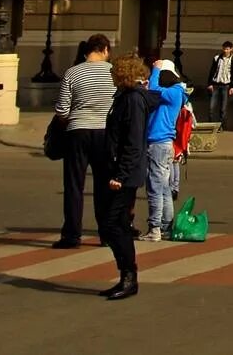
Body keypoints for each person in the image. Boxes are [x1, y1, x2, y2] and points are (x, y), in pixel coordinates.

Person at [97, 53, 150, 301]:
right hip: (119, 169)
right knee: (114, 223)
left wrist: (121, 173)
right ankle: (125, 276)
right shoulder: (123, 97)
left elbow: (133, 142)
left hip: (126, 173)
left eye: (114, 71)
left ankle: (130, 276)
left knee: (112, 224)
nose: (111, 74)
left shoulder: (133, 100)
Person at [53, 35, 114, 249]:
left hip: (77, 132)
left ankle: (71, 235)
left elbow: (62, 110)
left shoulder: (73, 72)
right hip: (105, 133)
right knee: (104, 185)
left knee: (73, 185)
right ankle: (106, 235)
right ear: (105, 49)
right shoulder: (112, 73)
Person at [142, 63, 188, 241]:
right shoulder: (174, 92)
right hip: (163, 143)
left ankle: (155, 228)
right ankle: (166, 226)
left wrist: (155, 70)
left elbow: (153, 87)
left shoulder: (174, 92)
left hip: (159, 143)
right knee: (164, 188)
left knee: (155, 187)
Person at [208, 43, 233, 132]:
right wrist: (210, 83)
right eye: (224, 49)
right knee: (212, 107)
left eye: (227, 49)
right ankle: (210, 125)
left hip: (226, 86)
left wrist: (232, 87)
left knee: (223, 108)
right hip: (216, 84)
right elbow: (212, 71)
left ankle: (220, 126)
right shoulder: (217, 58)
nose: (225, 51)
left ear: (231, 49)